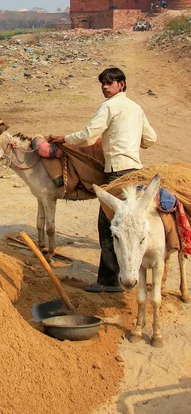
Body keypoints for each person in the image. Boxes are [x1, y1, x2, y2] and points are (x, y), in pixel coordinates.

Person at [50, 67, 157, 293]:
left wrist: (64, 139)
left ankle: (109, 281)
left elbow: (89, 134)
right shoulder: (136, 108)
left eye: (110, 83)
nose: (105, 87)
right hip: (137, 171)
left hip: (117, 174)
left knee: (108, 226)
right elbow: (150, 139)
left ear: (122, 85)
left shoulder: (109, 107)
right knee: (133, 227)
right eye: (103, 84)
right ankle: (131, 273)